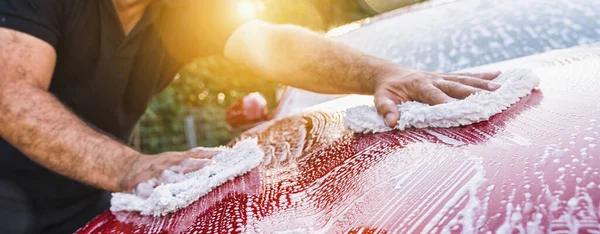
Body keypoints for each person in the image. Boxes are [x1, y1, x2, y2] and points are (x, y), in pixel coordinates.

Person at [0, 0, 501, 233]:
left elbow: (271, 42)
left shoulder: (179, 11)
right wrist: (132, 168)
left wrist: (381, 73)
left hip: (93, 210)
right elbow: (10, 93)